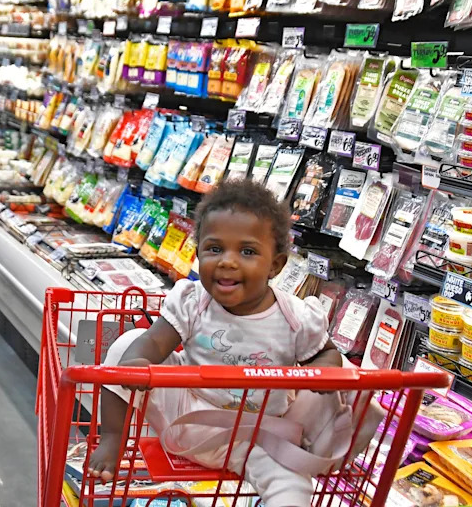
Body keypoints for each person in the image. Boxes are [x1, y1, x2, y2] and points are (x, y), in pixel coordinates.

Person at [86, 179, 342, 505]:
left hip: (256, 438)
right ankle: (111, 438)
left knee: (293, 485)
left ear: (275, 265)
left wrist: (323, 373)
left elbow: (325, 353)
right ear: (198, 254)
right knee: (127, 342)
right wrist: (138, 362)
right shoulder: (194, 301)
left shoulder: (296, 317)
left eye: (247, 251)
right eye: (215, 249)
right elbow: (154, 341)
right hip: (187, 417)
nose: (227, 261)